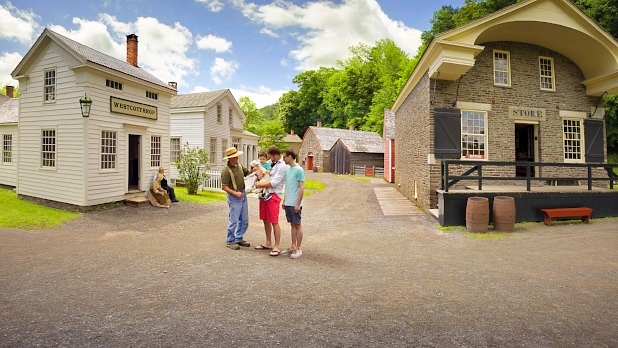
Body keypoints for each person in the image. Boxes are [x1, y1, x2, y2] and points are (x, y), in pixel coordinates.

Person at [254, 146, 288, 256]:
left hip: (274, 195)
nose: (269, 159)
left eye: (270, 157)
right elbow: (263, 171)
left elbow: (274, 183)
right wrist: (258, 174)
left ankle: (277, 246)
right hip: (264, 194)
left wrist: (259, 184)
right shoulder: (270, 162)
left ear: (276, 155)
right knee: (265, 219)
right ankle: (268, 242)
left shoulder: (282, 166)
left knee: (274, 221)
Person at [220, 147, 251, 250]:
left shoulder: (240, 166)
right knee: (234, 220)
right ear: (230, 158)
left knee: (245, 220)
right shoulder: (226, 170)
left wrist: (255, 169)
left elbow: (248, 173)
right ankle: (230, 240)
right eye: (235, 156)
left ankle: (238, 237)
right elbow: (224, 186)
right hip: (234, 197)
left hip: (243, 194)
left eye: (237, 155)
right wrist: (235, 193)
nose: (237, 157)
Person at [280, 149, 305, 259]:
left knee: (297, 224)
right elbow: (287, 186)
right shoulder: (288, 170)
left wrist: (298, 204)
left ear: (290, 156)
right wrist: (284, 200)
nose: (283, 159)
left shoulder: (299, 170)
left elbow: (302, 187)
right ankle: (293, 246)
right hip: (288, 202)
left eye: (285, 157)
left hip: (295, 202)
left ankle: (298, 248)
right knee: (292, 224)